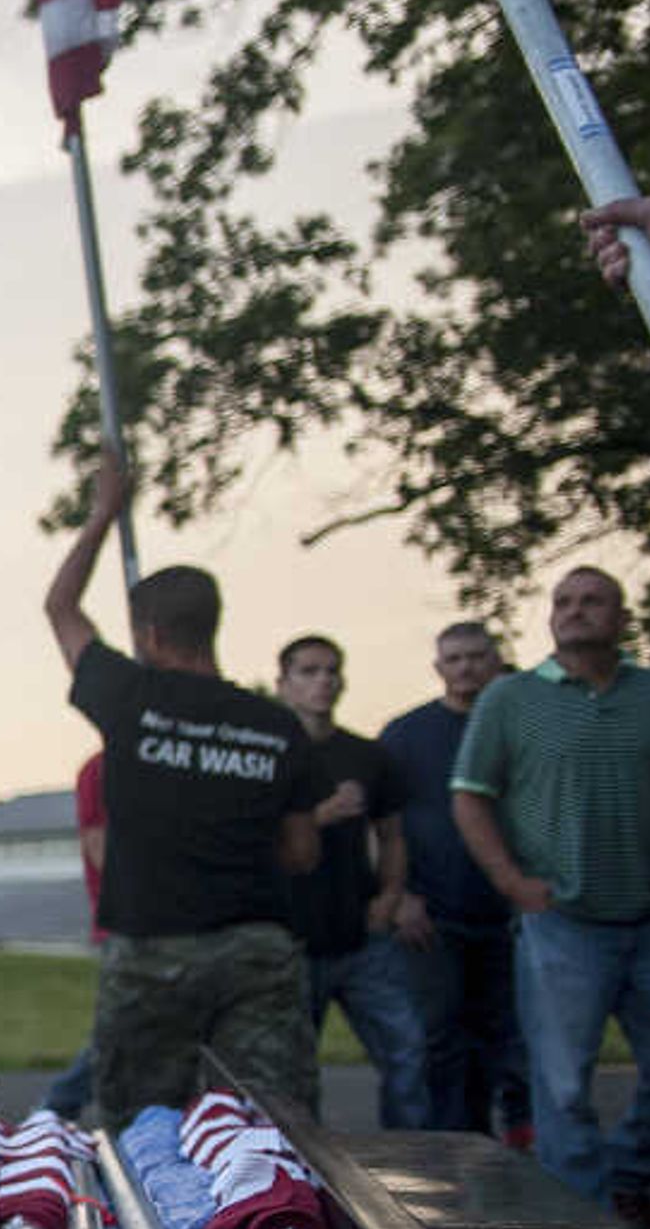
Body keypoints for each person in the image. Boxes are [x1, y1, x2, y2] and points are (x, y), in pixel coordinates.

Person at [42, 457, 322, 1122]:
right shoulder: (276, 724)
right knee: (270, 1124)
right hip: (257, 948)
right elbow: (304, 852)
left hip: (151, 949)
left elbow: (60, 607)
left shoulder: (131, 698)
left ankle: (144, 1224)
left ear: (150, 635)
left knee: (142, 1126)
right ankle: (275, 1221)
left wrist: (105, 511)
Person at [451, 566, 650, 1216]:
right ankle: (584, 1219)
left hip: (649, 918)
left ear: (621, 618)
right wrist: (511, 880)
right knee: (563, 1086)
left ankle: (625, 1174)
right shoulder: (510, 699)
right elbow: (471, 795)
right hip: (561, 921)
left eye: (592, 601)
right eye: (563, 601)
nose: (575, 611)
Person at [378, 620, 528, 1140]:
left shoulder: (519, 725)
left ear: (495, 660)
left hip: (512, 910)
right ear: (438, 667)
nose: (465, 667)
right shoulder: (406, 734)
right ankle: (457, 1150)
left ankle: (519, 1145)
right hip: (432, 913)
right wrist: (400, 897)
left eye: (475, 657)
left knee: (511, 1037)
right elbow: (381, 824)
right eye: (454, 659)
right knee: (440, 1038)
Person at [274, 633, 430, 1129]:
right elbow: (255, 842)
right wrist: (321, 813)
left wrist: (390, 895)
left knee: (408, 1053)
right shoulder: (268, 757)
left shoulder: (368, 755)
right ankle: (305, 1186)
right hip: (293, 939)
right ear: (284, 684)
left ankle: (412, 1168)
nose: (323, 681)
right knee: (294, 1078)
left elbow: (392, 835)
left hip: (363, 938)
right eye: (309, 671)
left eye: (331, 670)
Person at [43, 751, 111, 1120]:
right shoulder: (99, 770)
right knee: (117, 1032)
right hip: (126, 927)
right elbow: (101, 852)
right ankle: (53, 1111)